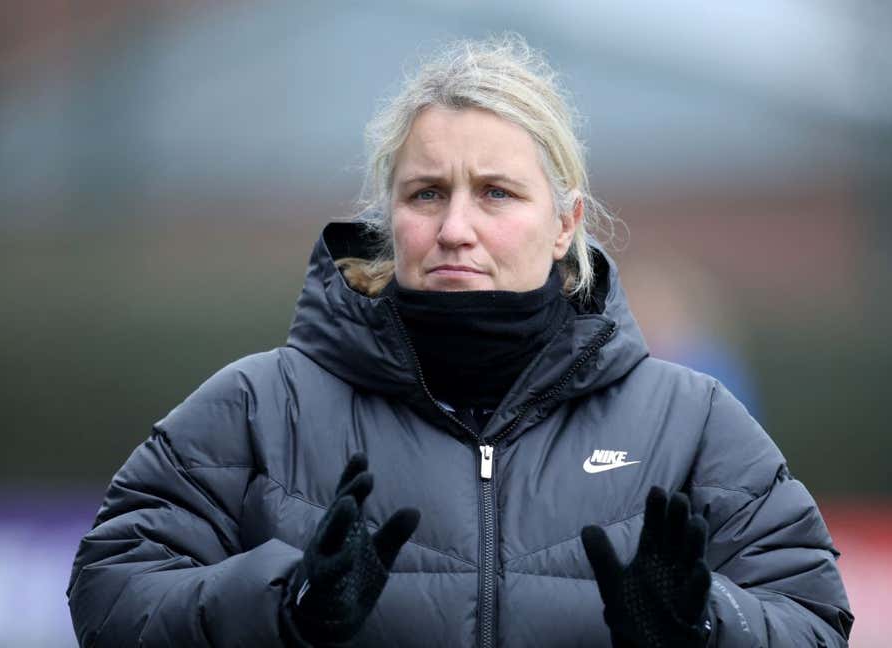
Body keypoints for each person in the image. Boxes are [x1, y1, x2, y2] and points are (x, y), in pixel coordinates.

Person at [67, 34, 852, 647]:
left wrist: (704, 625)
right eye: (426, 193)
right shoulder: (261, 406)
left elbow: (814, 620)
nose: (454, 228)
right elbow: (108, 594)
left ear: (564, 225)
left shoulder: (690, 422)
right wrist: (284, 604)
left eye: (497, 193)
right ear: (389, 219)